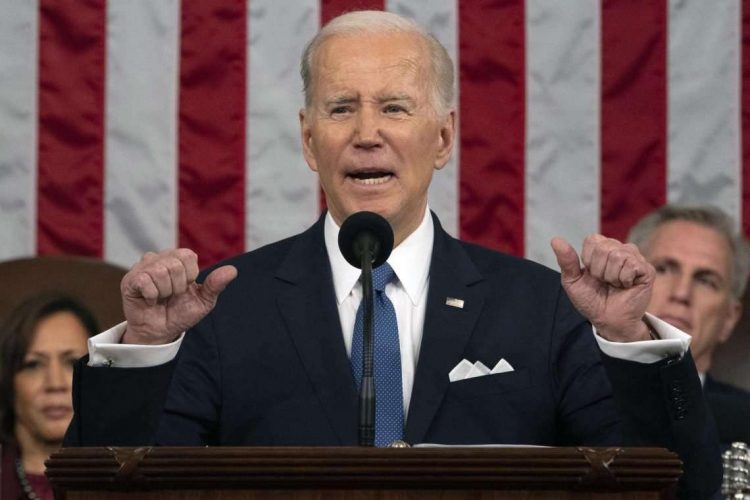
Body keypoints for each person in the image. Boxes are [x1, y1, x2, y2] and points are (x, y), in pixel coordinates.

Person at [65, 10, 721, 497]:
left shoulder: (545, 308)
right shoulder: (222, 307)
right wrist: (146, 350)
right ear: (308, 138)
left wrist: (630, 339)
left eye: (395, 108)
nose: (367, 134)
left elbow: (680, 487)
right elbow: (106, 491)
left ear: (443, 136)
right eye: (342, 108)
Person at [629, 204, 750, 446]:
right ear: (626, 283)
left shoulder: (745, 424)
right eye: (663, 269)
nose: (682, 293)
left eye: (706, 281)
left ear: (729, 318)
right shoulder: (569, 402)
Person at [0, 293, 97, 500]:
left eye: (72, 362)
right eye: (33, 364)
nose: (55, 384)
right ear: (8, 380)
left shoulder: (129, 480)